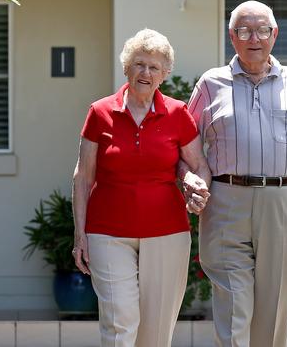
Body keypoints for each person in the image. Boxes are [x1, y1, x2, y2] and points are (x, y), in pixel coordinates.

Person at [183, 0, 287, 347]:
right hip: (225, 201)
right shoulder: (211, 84)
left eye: (261, 30)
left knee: (273, 312)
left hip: (283, 202)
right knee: (233, 307)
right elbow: (183, 146)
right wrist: (188, 177)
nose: (253, 38)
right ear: (232, 36)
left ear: (275, 35)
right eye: (244, 30)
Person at [71, 28, 211, 347]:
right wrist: (80, 235)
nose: (145, 72)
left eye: (154, 67)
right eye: (139, 63)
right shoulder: (100, 113)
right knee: (121, 322)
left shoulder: (177, 114)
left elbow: (198, 164)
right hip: (107, 232)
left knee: (156, 332)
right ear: (126, 67)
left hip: (167, 233)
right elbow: (82, 177)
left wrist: (198, 187)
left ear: (164, 75)